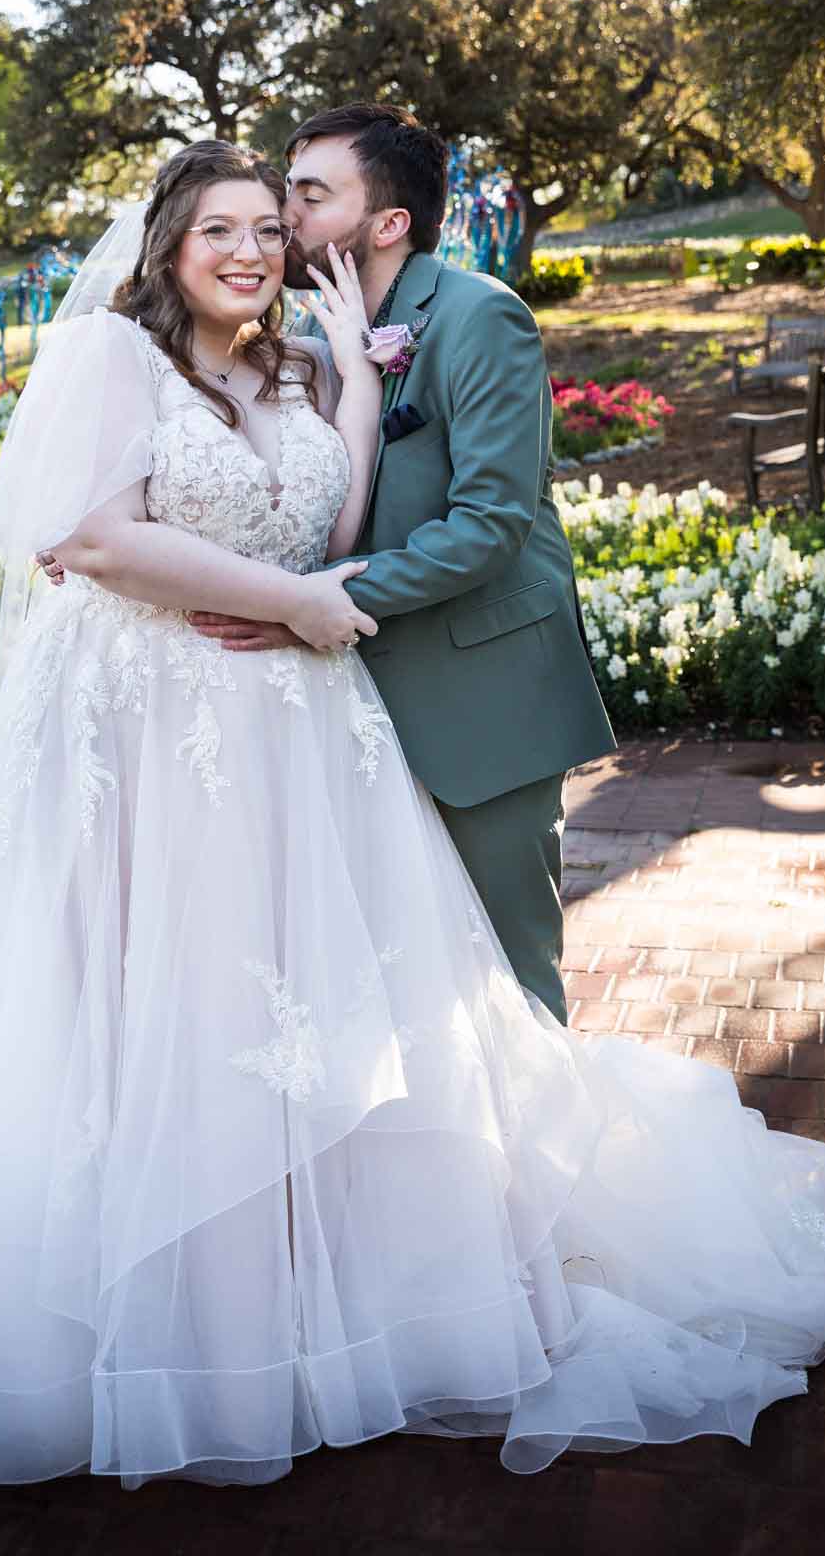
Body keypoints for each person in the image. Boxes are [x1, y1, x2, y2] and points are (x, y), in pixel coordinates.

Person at [0, 138, 825, 1492]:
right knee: (171, 1005)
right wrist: (299, 605)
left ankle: (328, 1284)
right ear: (167, 246)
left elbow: (325, 519)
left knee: (316, 1008)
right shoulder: (112, 361)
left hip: (294, 735)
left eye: (266, 229)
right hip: (160, 734)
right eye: (221, 227)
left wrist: (348, 382)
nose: (251, 247)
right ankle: (187, 1315)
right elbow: (97, 536)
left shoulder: (289, 365)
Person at [190, 103, 616, 1024]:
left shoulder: (478, 317)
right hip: (343, 714)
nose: (281, 212)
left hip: (477, 699)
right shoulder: (308, 338)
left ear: (386, 225)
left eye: (307, 194)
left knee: (509, 983)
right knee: (390, 990)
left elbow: (490, 523)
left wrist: (307, 607)